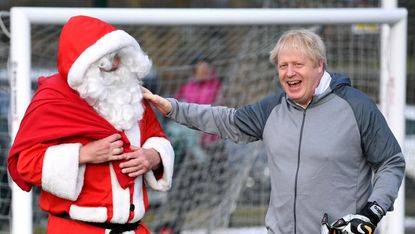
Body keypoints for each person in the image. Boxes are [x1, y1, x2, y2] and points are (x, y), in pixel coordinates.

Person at [143, 29, 406, 234]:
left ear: (320, 66)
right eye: (283, 65)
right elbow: (226, 120)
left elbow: (391, 162)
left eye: (298, 64)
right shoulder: (273, 107)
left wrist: (372, 213)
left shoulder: (356, 106)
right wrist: (173, 108)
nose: (289, 72)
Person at [7, 15, 174, 234]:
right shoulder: (54, 100)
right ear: (87, 63)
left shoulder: (130, 94)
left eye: (119, 58)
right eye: (108, 60)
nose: (116, 64)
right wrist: (82, 154)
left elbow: (156, 137)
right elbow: (25, 163)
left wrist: (153, 156)